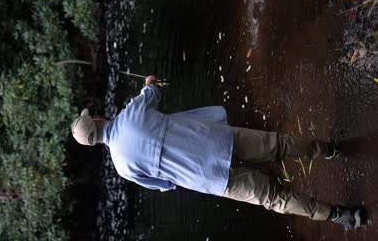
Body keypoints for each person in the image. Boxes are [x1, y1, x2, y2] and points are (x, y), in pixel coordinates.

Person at [70, 75, 366, 230]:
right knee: (280, 145)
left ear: (95, 142)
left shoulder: (123, 167)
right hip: (217, 139)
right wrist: (149, 83)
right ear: (96, 119)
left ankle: (340, 215)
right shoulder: (131, 113)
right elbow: (155, 90)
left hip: (211, 179)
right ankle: (329, 150)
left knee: (275, 198)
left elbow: (165, 185)